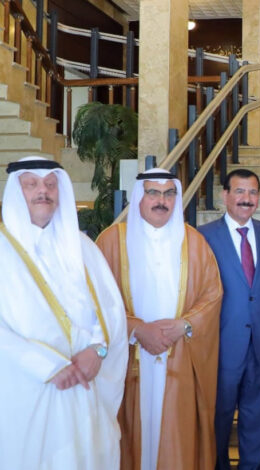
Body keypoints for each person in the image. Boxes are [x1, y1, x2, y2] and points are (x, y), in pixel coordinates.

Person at [0, 156, 128, 469]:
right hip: (27, 391)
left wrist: (98, 350)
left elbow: (111, 310)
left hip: (84, 390)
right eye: (31, 184)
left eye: (50, 184)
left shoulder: (83, 247)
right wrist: (48, 366)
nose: (42, 191)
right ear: (16, 192)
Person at [96, 168, 223, 470]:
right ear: (139, 197)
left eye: (169, 194)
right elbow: (96, 301)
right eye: (153, 192)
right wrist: (136, 329)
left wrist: (184, 325)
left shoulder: (194, 242)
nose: (161, 201)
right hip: (129, 359)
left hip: (179, 355)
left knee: (175, 438)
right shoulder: (111, 241)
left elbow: (212, 294)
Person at [198, 169, 260, 470]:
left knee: (257, 416)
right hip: (222, 344)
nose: (246, 199)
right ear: (225, 195)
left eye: (252, 192)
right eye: (239, 191)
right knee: (219, 415)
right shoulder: (204, 236)